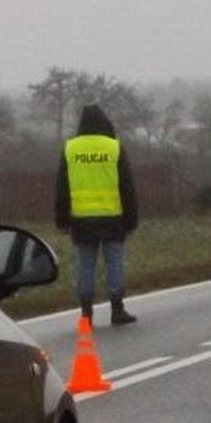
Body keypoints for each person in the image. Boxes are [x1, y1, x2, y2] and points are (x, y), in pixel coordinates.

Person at [55, 104, 139, 325]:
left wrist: (62, 220)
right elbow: (127, 187)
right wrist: (131, 220)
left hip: (82, 219)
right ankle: (117, 309)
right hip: (112, 216)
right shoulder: (114, 147)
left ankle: (86, 313)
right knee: (114, 262)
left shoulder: (71, 148)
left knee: (86, 263)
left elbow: (62, 187)